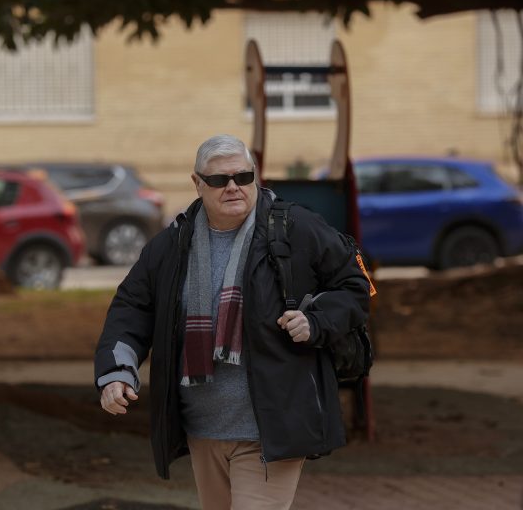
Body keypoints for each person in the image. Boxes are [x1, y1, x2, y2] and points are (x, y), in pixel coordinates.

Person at [94, 134, 370, 510]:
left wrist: (317, 321)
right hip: (202, 429)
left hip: (270, 430)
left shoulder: (296, 229)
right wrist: (116, 373)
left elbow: (355, 286)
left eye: (242, 177)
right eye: (219, 180)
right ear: (197, 183)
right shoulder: (172, 244)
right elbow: (132, 309)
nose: (233, 187)